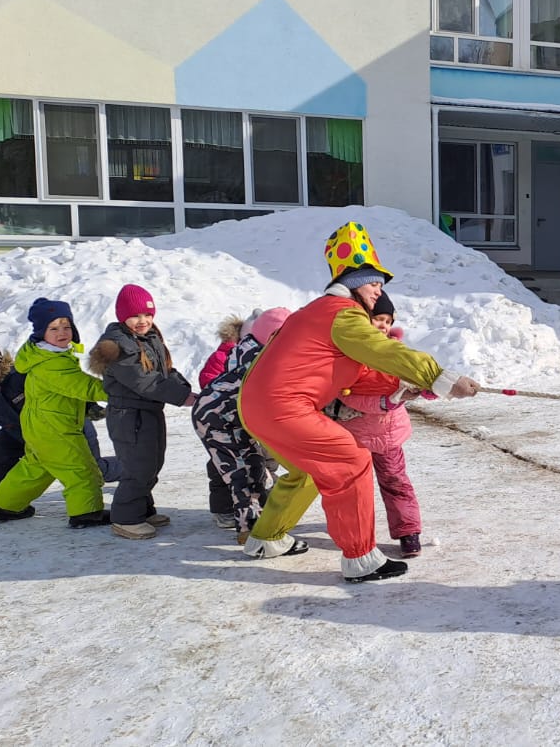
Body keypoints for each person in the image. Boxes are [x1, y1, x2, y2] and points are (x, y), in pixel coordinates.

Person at [238, 221, 479, 582]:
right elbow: (382, 350)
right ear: (352, 282)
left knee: (308, 472)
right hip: (284, 407)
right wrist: (438, 376)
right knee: (350, 460)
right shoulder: (342, 313)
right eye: (373, 283)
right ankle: (361, 558)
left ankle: (265, 539)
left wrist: (405, 385)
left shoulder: (320, 313)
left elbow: (362, 372)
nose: (378, 291)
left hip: (256, 407)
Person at [0, 299, 114, 527]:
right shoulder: (51, 363)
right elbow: (81, 386)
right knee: (80, 469)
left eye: (66, 326)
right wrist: (117, 390)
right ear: (41, 333)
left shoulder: (42, 354)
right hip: (56, 429)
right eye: (53, 328)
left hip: (40, 427)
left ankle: (4, 505)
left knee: (36, 468)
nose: (62, 332)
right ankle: (86, 513)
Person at [0, 339, 121, 515]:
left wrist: (89, 406)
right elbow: (11, 427)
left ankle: (134, 467)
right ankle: (0, 502)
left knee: (94, 469)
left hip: (68, 427)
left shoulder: (22, 376)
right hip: (32, 436)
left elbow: (62, 385)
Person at [89, 284, 196, 540]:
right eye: (135, 315)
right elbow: (143, 380)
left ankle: (142, 510)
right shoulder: (118, 346)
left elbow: (164, 371)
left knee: (152, 463)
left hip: (149, 411)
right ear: (122, 316)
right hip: (129, 416)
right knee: (138, 466)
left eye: (148, 314)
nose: (143, 321)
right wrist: (180, 397)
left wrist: (184, 389)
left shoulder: (150, 338)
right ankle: (125, 518)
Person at [330, 291, 426, 558]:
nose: (382, 325)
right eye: (377, 319)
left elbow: (413, 377)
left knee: (396, 481)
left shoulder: (396, 352)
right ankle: (356, 535)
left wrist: (423, 388)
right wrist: (385, 401)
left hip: (388, 434)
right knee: (352, 488)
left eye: (387, 320)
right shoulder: (349, 354)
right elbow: (347, 395)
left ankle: (408, 531)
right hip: (354, 435)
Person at [191, 307, 291, 542]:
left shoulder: (252, 350)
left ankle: (257, 521)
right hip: (216, 419)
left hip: (231, 417)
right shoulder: (260, 360)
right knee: (241, 473)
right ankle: (250, 529)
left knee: (254, 466)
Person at [197, 311, 256, 528]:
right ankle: (222, 509)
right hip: (223, 420)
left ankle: (255, 507)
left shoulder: (260, 356)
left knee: (257, 465)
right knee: (221, 466)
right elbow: (208, 381)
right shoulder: (223, 355)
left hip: (250, 421)